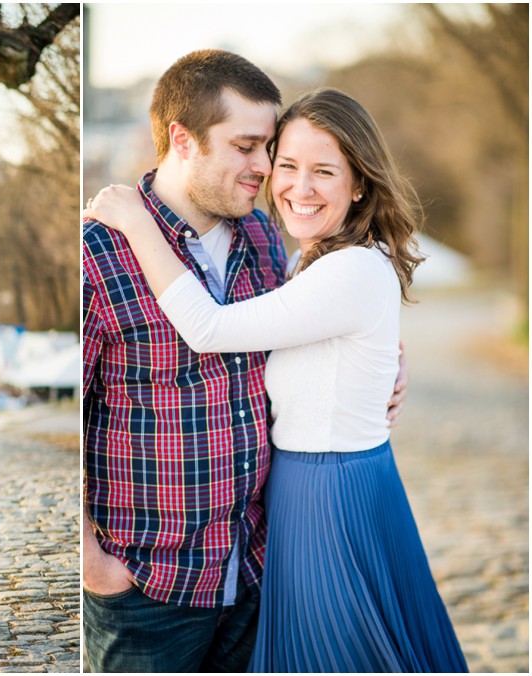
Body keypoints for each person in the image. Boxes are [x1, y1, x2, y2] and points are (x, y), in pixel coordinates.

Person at [84, 87, 467, 672]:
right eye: (274, 158)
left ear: (359, 182)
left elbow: (209, 328)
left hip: (312, 510)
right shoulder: (297, 257)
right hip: (157, 575)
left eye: (321, 171)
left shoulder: (285, 247)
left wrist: (139, 222)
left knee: (341, 652)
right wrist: (93, 563)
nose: (280, 178)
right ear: (182, 139)